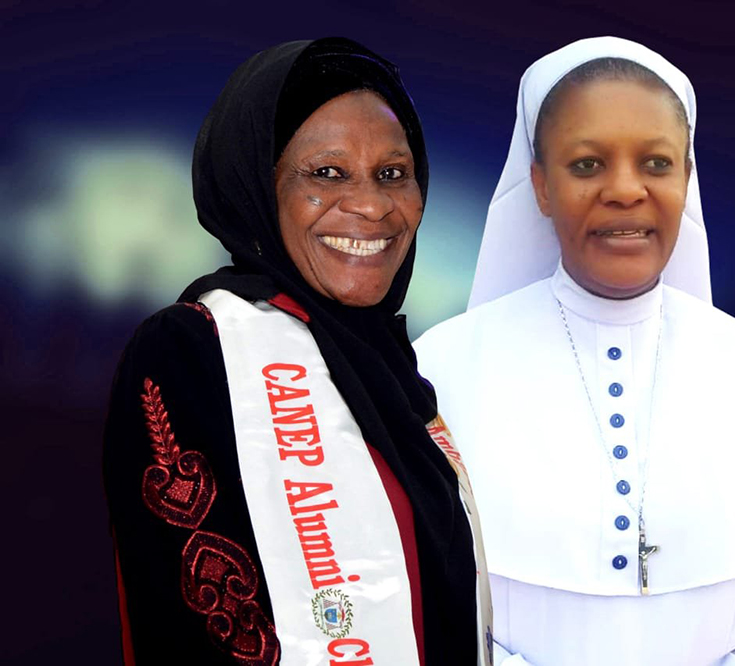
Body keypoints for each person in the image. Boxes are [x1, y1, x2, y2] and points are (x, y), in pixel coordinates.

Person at [414, 36, 735, 665]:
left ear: (686, 177)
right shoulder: (441, 370)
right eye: (587, 164)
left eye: (656, 163)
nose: (625, 190)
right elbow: (424, 590)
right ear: (540, 186)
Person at [103, 38, 491, 666]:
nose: (370, 205)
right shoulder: (193, 353)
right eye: (327, 174)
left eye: (392, 173)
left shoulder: (399, 376)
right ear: (257, 183)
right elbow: (198, 620)